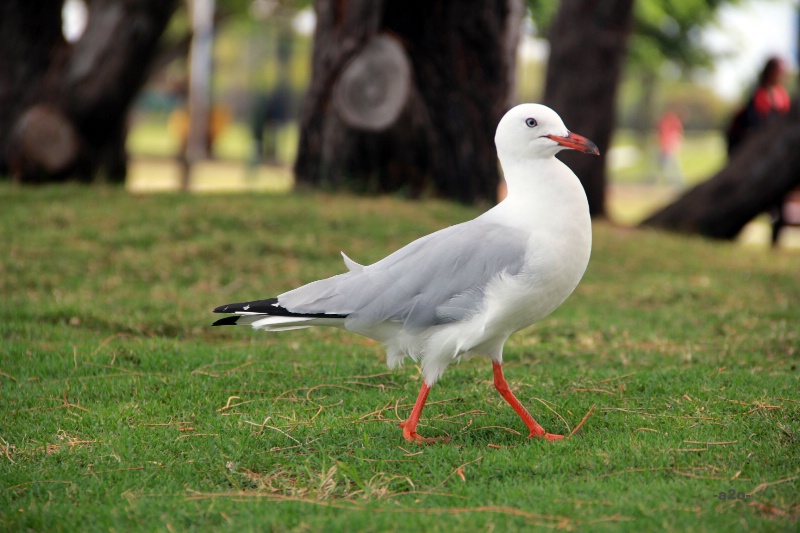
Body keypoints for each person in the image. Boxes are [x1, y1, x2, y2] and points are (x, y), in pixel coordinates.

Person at [725, 57, 792, 246]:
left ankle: (775, 244)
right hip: (757, 160)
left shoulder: (782, 96)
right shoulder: (759, 96)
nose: (783, 74)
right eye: (780, 70)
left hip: (776, 162)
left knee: (779, 206)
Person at [657, 110, 683, 187]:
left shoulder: (673, 125)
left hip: (669, 146)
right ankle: (667, 179)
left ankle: (674, 179)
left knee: (671, 163)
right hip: (666, 146)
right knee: (665, 164)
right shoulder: (667, 124)